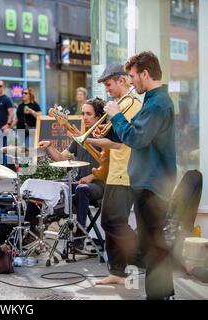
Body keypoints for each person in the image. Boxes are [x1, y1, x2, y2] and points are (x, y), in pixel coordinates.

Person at [104, 51, 176, 300]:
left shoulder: (157, 103)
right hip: (150, 181)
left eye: (133, 76)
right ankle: (164, 292)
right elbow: (138, 133)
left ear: (145, 73)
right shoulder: (155, 100)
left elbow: (136, 138)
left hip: (152, 183)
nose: (131, 81)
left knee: (152, 245)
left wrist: (116, 116)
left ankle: (157, 295)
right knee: (154, 242)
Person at [85, 64, 143, 285]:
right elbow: (113, 137)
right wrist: (102, 132)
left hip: (125, 172)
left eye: (109, 84)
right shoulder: (119, 105)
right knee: (110, 221)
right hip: (116, 172)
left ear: (121, 80)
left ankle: (144, 256)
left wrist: (88, 139)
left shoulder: (130, 105)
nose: (107, 89)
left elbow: (120, 143)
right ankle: (117, 272)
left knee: (112, 221)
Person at [38, 98, 106, 252]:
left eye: (88, 114)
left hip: (100, 185)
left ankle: (79, 239)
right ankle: (40, 228)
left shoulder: (105, 138)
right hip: (80, 182)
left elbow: (111, 166)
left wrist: (91, 177)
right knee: (55, 185)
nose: (84, 117)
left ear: (99, 116)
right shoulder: (79, 137)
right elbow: (62, 158)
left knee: (81, 189)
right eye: (82, 113)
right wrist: (50, 146)